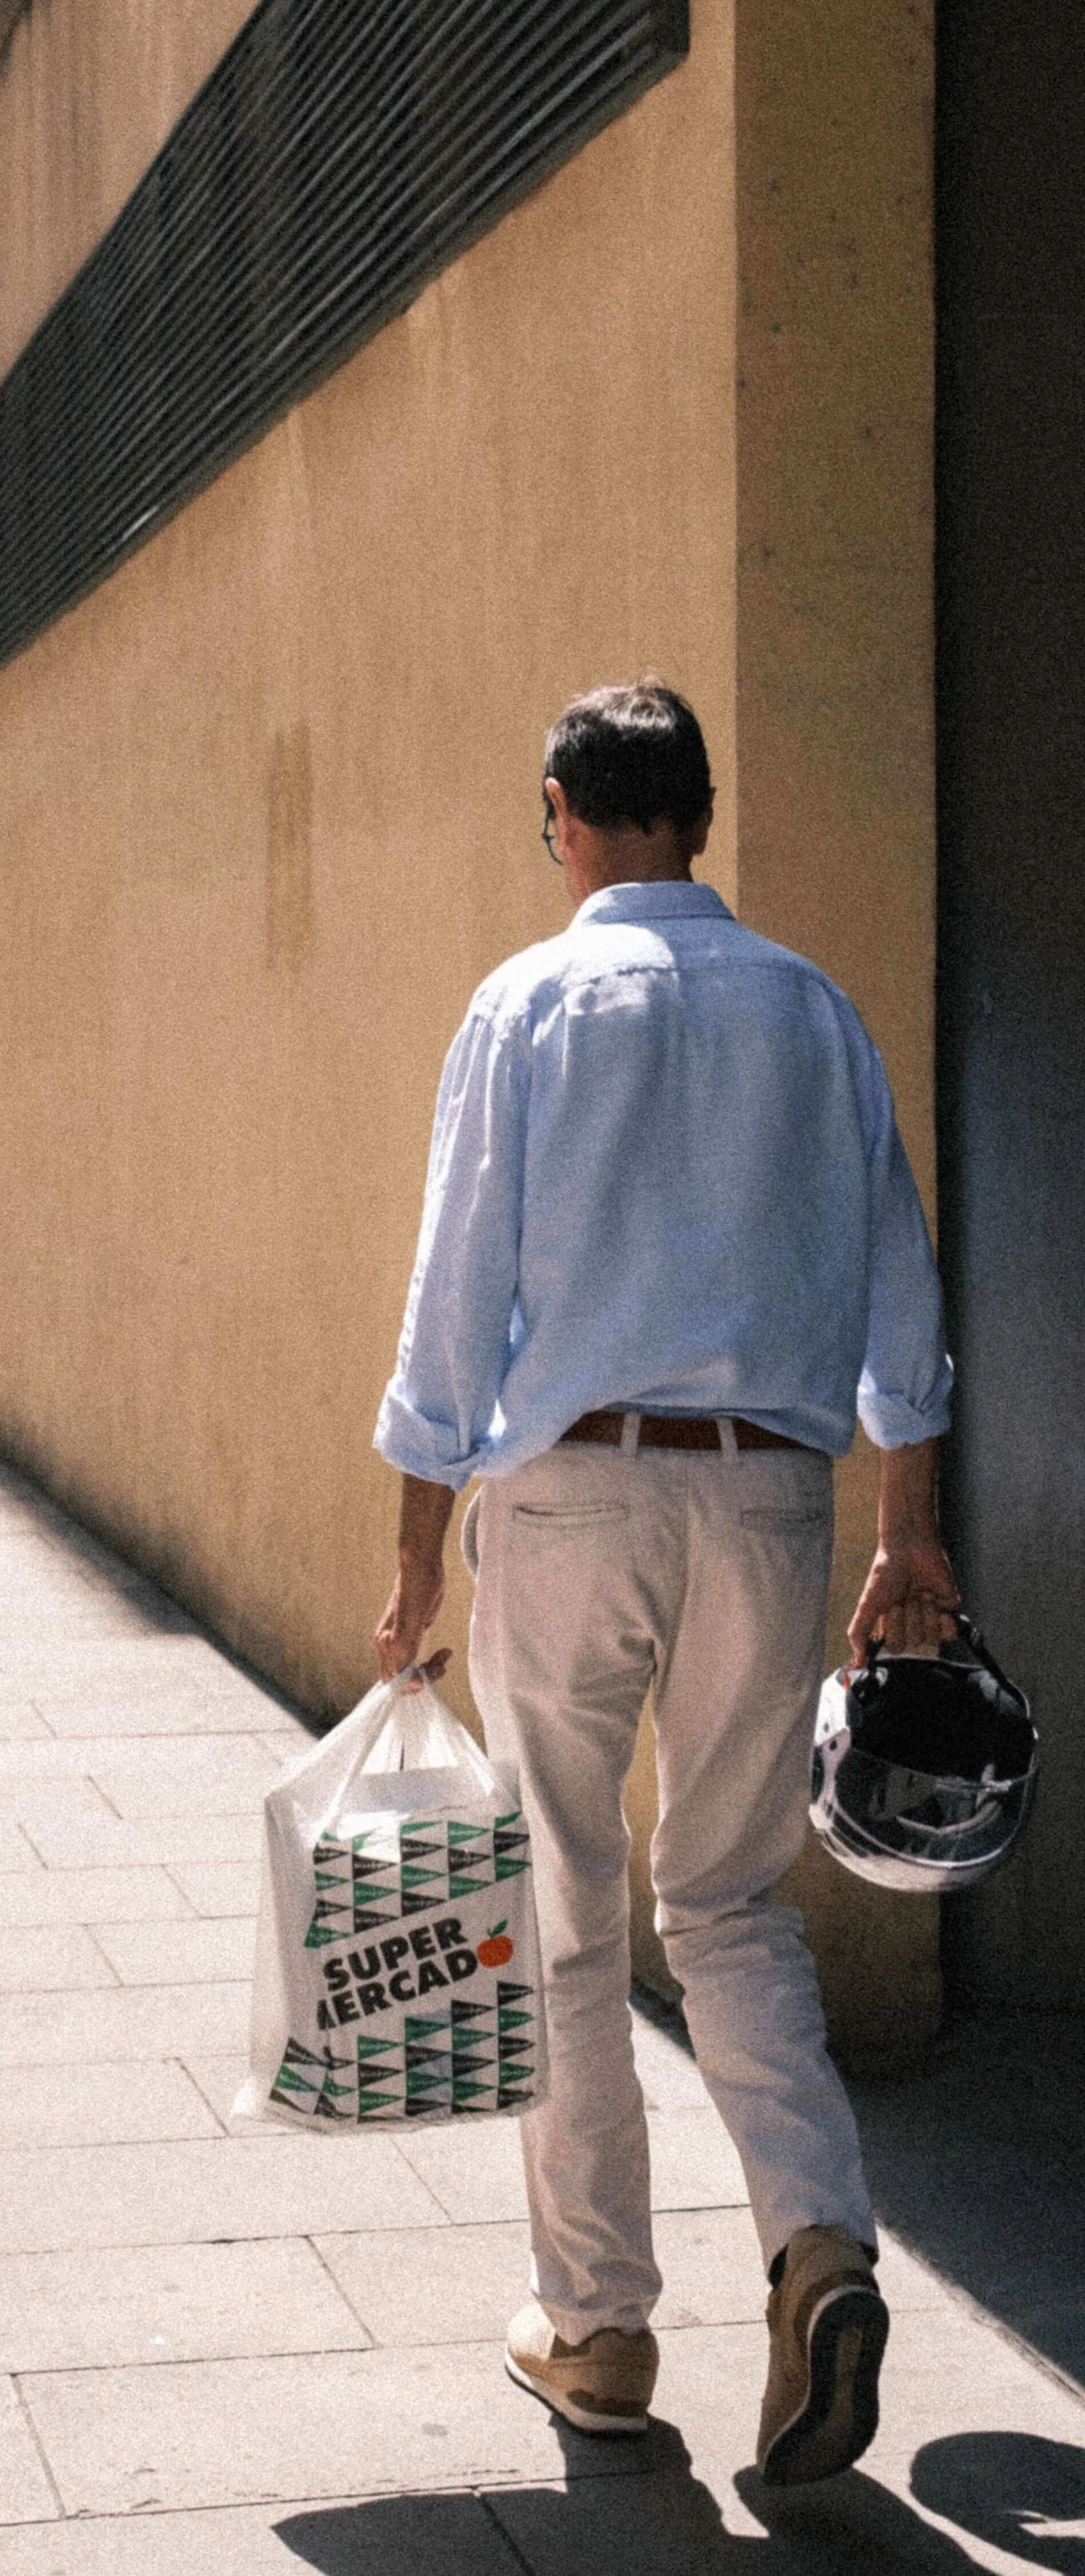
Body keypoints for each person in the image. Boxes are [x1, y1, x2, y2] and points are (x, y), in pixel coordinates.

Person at [373, 681, 956, 2486]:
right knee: (726, 1901)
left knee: (570, 1908)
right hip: (771, 1504)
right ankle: (821, 2243)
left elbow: (450, 1309)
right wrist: (902, 1534)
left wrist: (409, 1572)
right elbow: (902, 1305)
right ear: (697, 816)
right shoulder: (813, 1010)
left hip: (569, 1499)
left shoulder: (524, 1004)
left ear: (562, 812)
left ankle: (603, 2325)